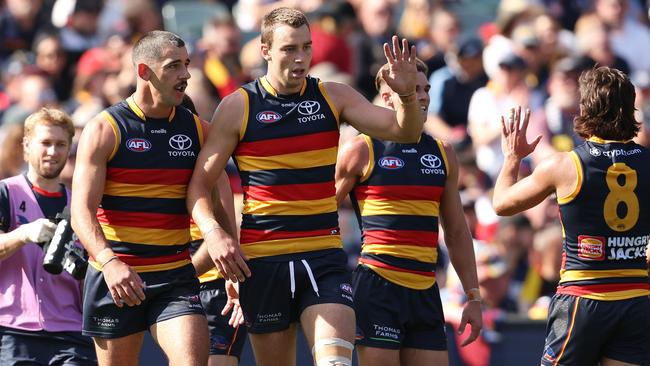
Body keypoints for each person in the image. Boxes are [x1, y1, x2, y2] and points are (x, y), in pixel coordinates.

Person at [187, 7, 424, 366]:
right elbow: (199, 185)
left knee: (336, 362)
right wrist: (215, 233)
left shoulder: (334, 96)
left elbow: (406, 131)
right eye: (288, 49)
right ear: (265, 50)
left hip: (322, 256)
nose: (300, 58)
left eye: (306, 47)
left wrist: (406, 97)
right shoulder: (239, 107)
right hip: (263, 262)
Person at [70, 30, 228, 365]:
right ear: (144, 72)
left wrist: (228, 260)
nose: (186, 74)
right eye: (174, 66)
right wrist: (110, 263)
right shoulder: (105, 129)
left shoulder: (200, 130)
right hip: (116, 278)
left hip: (174, 277)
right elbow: (81, 212)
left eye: (186, 64)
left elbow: (219, 205)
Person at [492, 66, 650, 366]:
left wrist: (512, 157)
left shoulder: (564, 165)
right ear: (631, 110)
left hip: (583, 298)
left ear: (585, 108)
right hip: (635, 298)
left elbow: (501, 203)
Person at [335, 58, 482, 366]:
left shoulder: (443, 152)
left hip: (425, 289)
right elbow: (320, 213)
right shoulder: (362, 149)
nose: (425, 95)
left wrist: (473, 296)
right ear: (388, 96)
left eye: (426, 88)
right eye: (415, 89)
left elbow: (455, 232)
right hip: (378, 285)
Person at [0, 108, 96, 365]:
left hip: (71, 331)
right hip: (15, 330)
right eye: (45, 143)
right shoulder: (6, 192)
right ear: (27, 145)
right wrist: (23, 234)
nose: (53, 152)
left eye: (61, 144)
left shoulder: (81, 205)